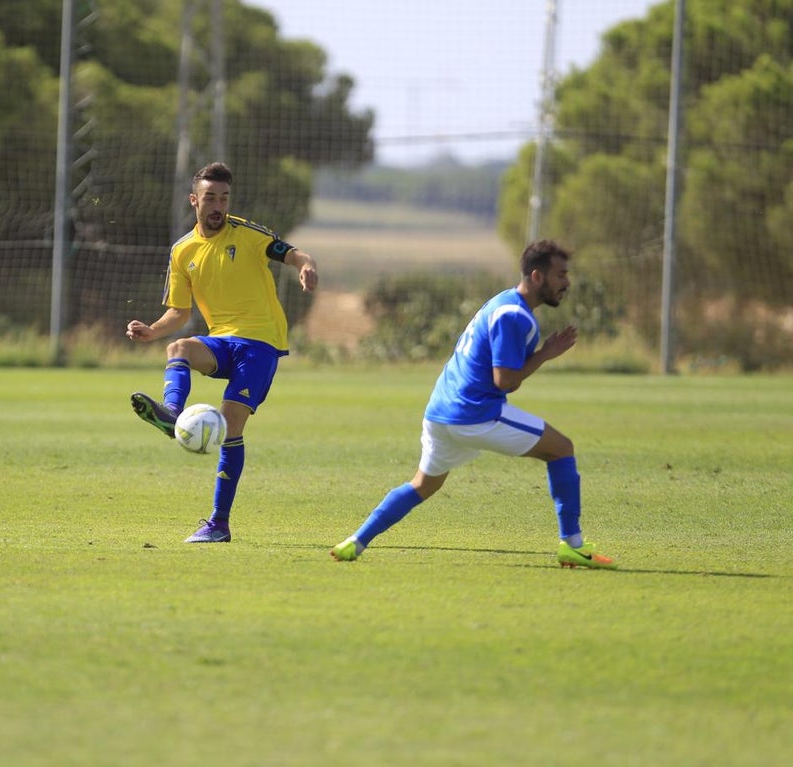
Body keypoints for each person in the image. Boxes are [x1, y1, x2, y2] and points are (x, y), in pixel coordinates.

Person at [331, 239, 616, 569]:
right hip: (474, 414)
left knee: (423, 485)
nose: (567, 282)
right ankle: (574, 545)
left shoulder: (501, 303)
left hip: (440, 413)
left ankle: (356, 541)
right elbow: (505, 381)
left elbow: (505, 377)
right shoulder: (515, 317)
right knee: (562, 448)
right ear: (537, 277)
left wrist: (536, 357)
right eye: (561, 275)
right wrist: (545, 355)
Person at [126, 161, 318, 543]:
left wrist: (307, 266)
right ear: (194, 200)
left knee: (230, 429)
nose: (218, 205)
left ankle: (219, 524)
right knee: (177, 346)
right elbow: (179, 313)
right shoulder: (183, 251)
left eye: (224, 198)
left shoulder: (246, 234)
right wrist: (151, 331)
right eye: (210, 197)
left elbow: (293, 253)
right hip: (222, 341)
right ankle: (173, 416)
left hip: (260, 344)